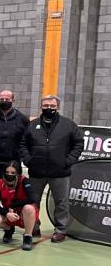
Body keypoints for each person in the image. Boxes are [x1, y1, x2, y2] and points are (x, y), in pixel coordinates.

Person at [19, 95, 83, 242]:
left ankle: (60, 230)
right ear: (41, 107)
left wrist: (68, 161)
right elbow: (23, 145)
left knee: (61, 202)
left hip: (60, 173)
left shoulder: (68, 125)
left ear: (58, 107)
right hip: (36, 172)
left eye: (52, 106)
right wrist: (29, 161)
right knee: (33, 201)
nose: (49, 108)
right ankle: (33, 226)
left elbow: (78, 144)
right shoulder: (32, 125)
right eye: (46, 106)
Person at [0, 90, 29, 197]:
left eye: (7, 99)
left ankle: (11, 213)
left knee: (14, 195)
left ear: (13, 100)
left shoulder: (23, 119)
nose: (4, 101)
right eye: (1, 99)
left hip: (13, 164)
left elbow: (25, 140)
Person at [0, 162, 38, 250]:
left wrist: (13, 206)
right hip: (9, 214)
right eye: (7, 172)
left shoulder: (24, 181)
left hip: (23, 215)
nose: (9, 175)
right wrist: (6, 213)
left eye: (12, 173)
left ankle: (27, 237)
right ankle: (9, 229)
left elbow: (32, 198)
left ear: (18, 174)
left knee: (29, 208)